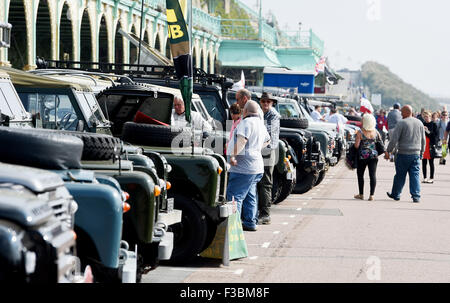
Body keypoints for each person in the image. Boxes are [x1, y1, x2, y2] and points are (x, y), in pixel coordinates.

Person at [226, 100, 271, 231]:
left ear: (245, 111)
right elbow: (268, 140)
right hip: (256, 167)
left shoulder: (245, 123)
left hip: (243, 168)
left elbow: (242, 141)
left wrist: (233, 155)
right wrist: (255, 149)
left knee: (235, 196)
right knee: (250, 195)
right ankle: (250, 222)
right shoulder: (260, 124)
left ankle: (234, 227)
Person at [385, 105, 426, 203]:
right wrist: (422, 153)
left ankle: (396, 194)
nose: (401, 114)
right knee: (415, 175)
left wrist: (388, 151)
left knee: (400, 175)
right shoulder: (419, 123)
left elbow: (394, 139)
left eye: (402, 112)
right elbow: (423, 140)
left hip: (403, 153)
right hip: (415, 153)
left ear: (407, 112)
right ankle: (416, 196)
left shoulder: (401, 123)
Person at [257, 92, 280, 225]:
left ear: (272, 103)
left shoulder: (273, 115)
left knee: (265, 182)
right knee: (257, 182)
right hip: (258, 151)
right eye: (263, 101)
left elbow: (269, 136)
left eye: (268, 102)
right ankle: (259, 211)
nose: (265, 104)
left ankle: (265, 214)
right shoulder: (260, 114)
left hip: (268, 151)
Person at [353, 114, 380, 201]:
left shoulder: (360, 132)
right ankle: (372, 195)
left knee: (360, 175)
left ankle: (361, 194)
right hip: (374, 156)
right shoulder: (376, 132)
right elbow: (380, 143)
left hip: (363, 156)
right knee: (372, 175)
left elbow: (356, 146)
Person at [421, 110, 439, 183]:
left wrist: (427, 131)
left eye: (427, 117)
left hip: (431, 145)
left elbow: (434, 135)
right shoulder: (422, 124)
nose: (426, 118)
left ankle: (431, 177)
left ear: (430, 117)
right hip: (424, 144)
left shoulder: (434, 124)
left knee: (431, 162)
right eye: (425, 117)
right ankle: (425, 177)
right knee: (424, 162)